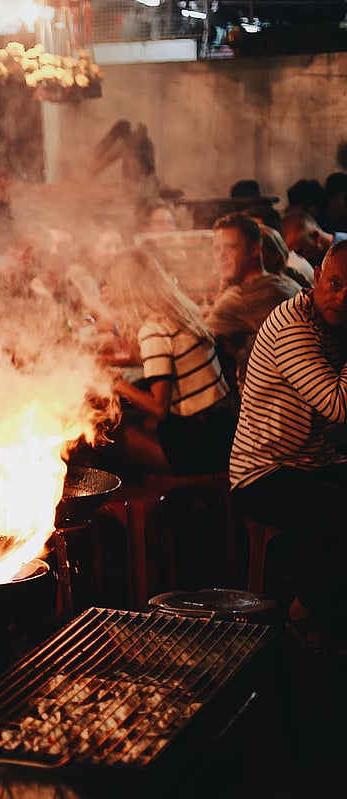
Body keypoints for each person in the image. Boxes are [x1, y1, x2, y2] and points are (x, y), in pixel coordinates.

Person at [230, 239, 347, 647]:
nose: (342, 296)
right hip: (263, 473)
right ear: (317, 278)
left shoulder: (335, 322)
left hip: (310, 460)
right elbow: (338, 405)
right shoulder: (293, 326)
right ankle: (299, 615)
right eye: (335, 283)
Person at [103, 247, 236, 475]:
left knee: (107, 437)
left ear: (125, 289)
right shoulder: (180, 311)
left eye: (110, 285)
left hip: (203, 444)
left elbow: (158, 408)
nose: (107, 290)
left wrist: (117, 384)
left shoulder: (153, 329)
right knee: (132, 420)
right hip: (223, 427)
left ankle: (159, 506)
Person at [207, 212, 301, 388]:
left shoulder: (239, 298)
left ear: (255, 250)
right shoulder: (283, 282)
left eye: (231, 247)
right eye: (217, 249)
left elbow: (198, 339)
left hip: (265, 402)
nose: (221, 256)